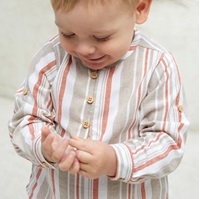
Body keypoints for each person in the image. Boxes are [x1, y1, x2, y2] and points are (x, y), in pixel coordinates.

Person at [8, 0, 190, 198]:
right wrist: (44, 147)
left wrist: (115, 160)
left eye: (101, 37)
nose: (84, 49)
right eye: (68, 34)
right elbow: (23, 121)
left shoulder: (157, 66)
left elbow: (169, 142)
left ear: (140, 9)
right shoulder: (51, 58)